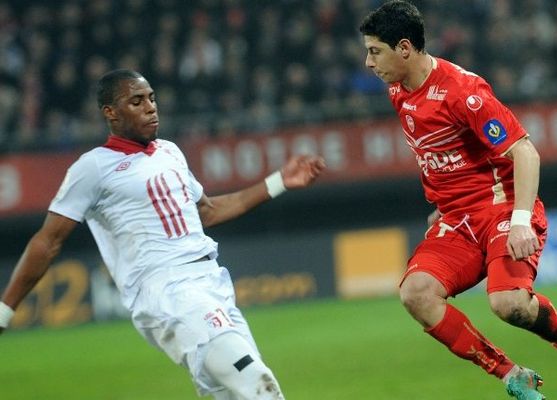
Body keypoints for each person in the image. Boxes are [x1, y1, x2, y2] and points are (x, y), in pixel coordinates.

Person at [0, 69, 326, 400]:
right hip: (167, 291)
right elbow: (48, 241)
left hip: (211, 282)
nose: (150, 107)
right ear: (110, 113)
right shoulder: (93, 167)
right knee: (259, 384)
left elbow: (208, 212)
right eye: (136, 101)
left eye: (152, 98)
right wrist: (4, 310)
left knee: (237, 394)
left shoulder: (169, 151)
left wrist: (279, 182)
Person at [359, 2, 557, 400]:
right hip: (457, 219)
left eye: (374, 50)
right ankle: (510, 375)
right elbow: (433, 151)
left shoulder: (464, 92)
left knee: (508, 304)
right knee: (415, 292)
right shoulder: (398, 91)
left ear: (404, 48)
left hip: (501, 208)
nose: (368, 62)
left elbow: (525, 152)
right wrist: (441, 198)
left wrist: (521, 220)